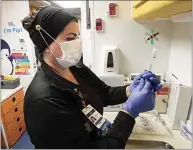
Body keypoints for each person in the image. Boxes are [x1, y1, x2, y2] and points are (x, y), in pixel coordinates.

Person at [22, 6, 162, 149]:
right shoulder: (44, 101)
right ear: (46, 44)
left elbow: (103, 92)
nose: (77, 43)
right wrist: (129, 112)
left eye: (77, 36)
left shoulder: (75, 68)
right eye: (70, 38)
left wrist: (130, 89)